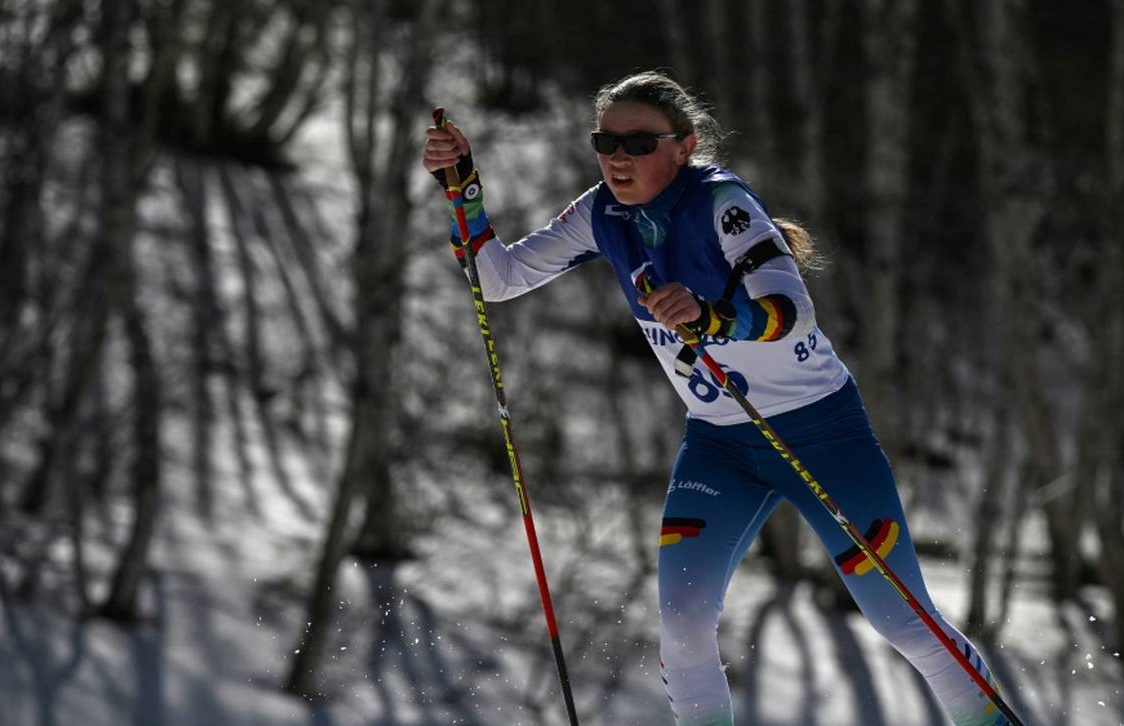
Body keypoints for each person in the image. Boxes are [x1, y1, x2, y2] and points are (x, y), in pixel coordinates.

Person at [424, 71, 1010, 726]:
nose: (618, 158)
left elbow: (793, 310)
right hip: (720, 445)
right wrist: (463, 188)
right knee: (682, 626)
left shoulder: (722, 203)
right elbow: (497, 279)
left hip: (822, 435)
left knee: (902, 620)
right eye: (605, 143)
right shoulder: (602, 213)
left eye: (639, 144)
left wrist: (711, 318)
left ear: (684, 147)